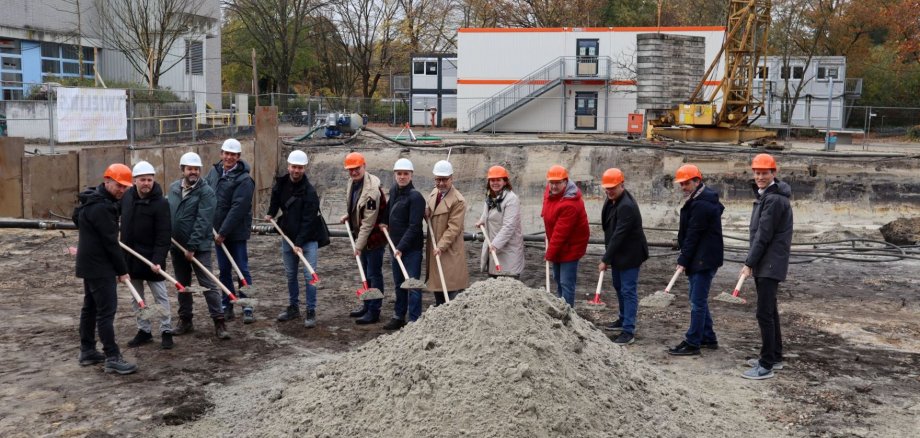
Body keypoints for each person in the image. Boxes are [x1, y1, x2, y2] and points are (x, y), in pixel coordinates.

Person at [74, 163, 138, 374]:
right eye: (118, 185)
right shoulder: (102, 207)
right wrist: (122, 270)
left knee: (90, 307)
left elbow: (76, 218)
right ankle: (112, 356)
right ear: (107, 181)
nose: (122, 190)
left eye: (125, 187)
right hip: (100, 267)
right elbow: (111, 242)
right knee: (106, 312)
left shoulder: (90, 199)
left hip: (88, 263)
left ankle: (87, 350)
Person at [741, 153, 793, 380]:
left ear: (774, 173)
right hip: (768, 261)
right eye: (757, 173)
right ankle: (775, 356)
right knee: (770, 310)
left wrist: (749, 263)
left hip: (769, 263)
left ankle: (766, 364)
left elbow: (763, 235)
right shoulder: (768, 196)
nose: (760, 176)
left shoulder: (773, 200)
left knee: (764, 313)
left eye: (764, 173)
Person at [266, 150, 329, 329]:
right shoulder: (281, 183)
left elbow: (308, 221)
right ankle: (293, 307)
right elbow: (276, 199)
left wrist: (299, 243)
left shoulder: (309, 192)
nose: (296, 170)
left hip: (308, 240)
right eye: (294, 167)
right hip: (287, 236)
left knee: (310, 275)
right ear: (289, 167)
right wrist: (271, 213)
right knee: (290, 274)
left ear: (304, 168)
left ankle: (311, 310)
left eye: (300, 168)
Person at [169, 152, 229, 340]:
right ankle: (185, 320)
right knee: (182, 285)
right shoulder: (173, 189)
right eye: (189, 169)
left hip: (198, 247)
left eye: (196, 169)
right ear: (183, 170)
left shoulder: (206, 192)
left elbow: (203, 221)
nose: (193, 172)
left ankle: (219, 321)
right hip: (177, 246)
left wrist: (192, 246)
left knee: (208, 284)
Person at [667, 164, 724, 356]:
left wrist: (683, 259)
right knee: (697, 299)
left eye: (686, 183)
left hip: (703, 260)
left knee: (697, 302)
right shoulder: (701, 199)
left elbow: (693, 234)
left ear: (697, 181)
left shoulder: (701, 204)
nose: (683, 187)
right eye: (681, 184)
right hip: (701, 257)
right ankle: (708, 337)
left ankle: (693, 343)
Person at [121, 161, 174, 350]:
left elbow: (163, 236)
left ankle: (166, 330)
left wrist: (158, 260)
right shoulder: (127, 197)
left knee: (161, 297)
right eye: (142, 180)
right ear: (135, 180)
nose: (146, 183)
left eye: (149, 180)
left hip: (152, 260)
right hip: (131, 257)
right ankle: (144, 330)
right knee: (136, 297)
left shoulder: (161, 203)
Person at [205, 138, 255, 323]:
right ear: (221, 154)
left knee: (241, 268)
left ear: (238, 157)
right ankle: (227, 303)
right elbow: (205, 193)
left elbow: (238, 208)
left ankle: (248, 304)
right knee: (224, 270)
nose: (229, 157)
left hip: (235, 232)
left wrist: (223, 232)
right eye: (226, 153)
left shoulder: (244, 180)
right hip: (218, 232)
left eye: (233, 154)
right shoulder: (214, 172)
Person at [598, 168, 648, 345]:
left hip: (630, 254)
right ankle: (622, 317)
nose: (609, 191)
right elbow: (608, 227)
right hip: (618, 254)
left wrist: (605, 258)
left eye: (613, 187)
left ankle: (628, 330)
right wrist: (610, 256)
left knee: (628, 290)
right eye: (607, 188)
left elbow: (619, 235)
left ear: (622, 185)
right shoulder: (612, 199)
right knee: (619, 286)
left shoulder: (626, 205)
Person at [340, 152, 387, 325]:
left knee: (374, 275)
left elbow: (368, 221)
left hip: (373, 239)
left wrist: (358, 246)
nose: (353, 172)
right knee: (365, 274)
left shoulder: (372, 190)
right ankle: (367, 305)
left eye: (356, 169)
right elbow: (356, 205)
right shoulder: (352, 183)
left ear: (364, 166)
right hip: (361, 236)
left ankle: (374, 310)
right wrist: (349, 215)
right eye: (350, 170)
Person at [381, 158, 426, 330]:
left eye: (405, 174)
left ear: (411, 175)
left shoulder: (416, 197)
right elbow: (388, 211)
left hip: (411, 250)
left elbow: (415, 227)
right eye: (399, 174)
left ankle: (414, 320)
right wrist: (384, 222)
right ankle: (398, 316)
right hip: (395, 247)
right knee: (399, 283)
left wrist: (401, 247)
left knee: (412, 284)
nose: (402, 177)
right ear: (395, 175)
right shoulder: (393, 190)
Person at [542, 165, 589, 308]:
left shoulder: (571, 204)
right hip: (558, 245)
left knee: (566, 282)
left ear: (565, 182)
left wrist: (549, 254)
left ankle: (568, 314)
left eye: (558, 183)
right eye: (552, 182)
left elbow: (560, 234)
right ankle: (560, 306)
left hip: (571, 247)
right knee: (557, 278)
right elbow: (547, 203)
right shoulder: (551, 192)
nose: (554, 186)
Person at [425, 160, 469, 304]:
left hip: (448, 251)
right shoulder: (434, 193)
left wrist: (441, 246)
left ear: (451, 178)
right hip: (435, 247)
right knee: (438, 288)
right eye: (438, 179)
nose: (441, 183)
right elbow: (433, 217)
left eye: (444, 180)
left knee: (450, 289)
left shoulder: (458, 201)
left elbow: (453, 228)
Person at [474, 165, 525, 278]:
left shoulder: (511, 199)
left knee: (508, 284)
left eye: (498, 180)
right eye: (492, 180)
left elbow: (509, 226)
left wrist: (496, 244)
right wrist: (482, 220)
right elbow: (488, 213)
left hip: (508, 250)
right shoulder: (490, 197)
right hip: (494, 248)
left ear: (505, 182)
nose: (495, 183)